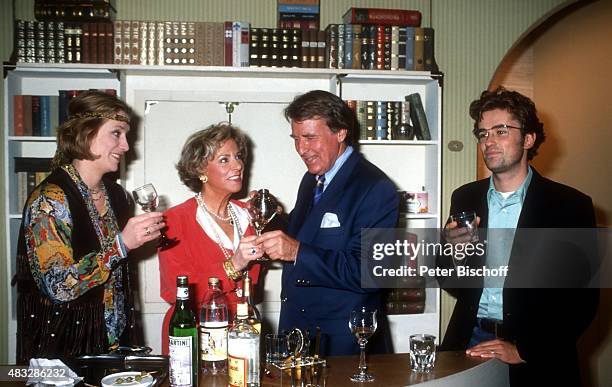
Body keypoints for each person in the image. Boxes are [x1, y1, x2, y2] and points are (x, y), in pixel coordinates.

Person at [439, 86, 598, 386]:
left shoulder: (570, 206)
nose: (489, 142)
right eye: (483, 133)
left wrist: (524, 350)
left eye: (500, 131)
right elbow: (450, 280)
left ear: (528, 139)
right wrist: (452, 251)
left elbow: (582, 302)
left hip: (537, 351)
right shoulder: (465, 197)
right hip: (469, 339)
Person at [14, 90, 165, 363]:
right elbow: (58, 286)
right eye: (116, 133)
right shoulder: (51, 199)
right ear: (86, 133)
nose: (126, 146)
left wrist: (138, 241)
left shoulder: (117, 195)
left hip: (114, 345)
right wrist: (122, 244)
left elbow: (117, 277)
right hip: (61, 347)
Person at [256, 90, 399, 356]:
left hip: (344, 345)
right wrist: (273, 217)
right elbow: (309, 235)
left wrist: (297, 251)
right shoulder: (312, 179)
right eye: (296, 139)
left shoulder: (375, 188)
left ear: (341, 133)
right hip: (299, 334)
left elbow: (369, 272)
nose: (301, 149)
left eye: (310, 138)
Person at [158, 123, 263, 354]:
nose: (238, 165)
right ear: (200, 170)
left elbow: (252, 282)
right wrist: (233, 265)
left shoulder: (250, 214)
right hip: (193, 331)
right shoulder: (174, 220)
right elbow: (174, 291)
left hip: (243, 331)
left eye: (238, 156)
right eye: (224, 160)